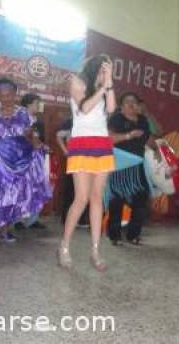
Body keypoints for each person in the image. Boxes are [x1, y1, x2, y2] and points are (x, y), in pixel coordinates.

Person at [0, 78, 52, 248]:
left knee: (11, 195)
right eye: (2, 95)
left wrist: (40, 145)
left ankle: (5, 230)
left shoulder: (24, 113)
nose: (6, 98)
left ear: (15, 94)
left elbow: (30, 134)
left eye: (9, 94)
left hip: (17, 158)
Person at [58, 55, 116, 272]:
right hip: (82, 144)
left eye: (108, 70)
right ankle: (64, 246)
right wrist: (102, 88)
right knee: (81, 198)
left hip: (102, 145)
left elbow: (110, 109)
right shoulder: (76, 81)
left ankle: (95, 249)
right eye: (103, 69)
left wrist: (108, 84)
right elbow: (84, 108)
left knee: (96, 198)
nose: (105, 73)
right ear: (95, 67)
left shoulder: (105, 85)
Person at [107, 92, 153, 246]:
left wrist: (160, 152)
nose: (131, 104)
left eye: (134, 101)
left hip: (138, 165)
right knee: (117, 200)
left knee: (142, 197)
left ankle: (133, 234)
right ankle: (114, 235)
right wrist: (129, 135)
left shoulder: (143, 120)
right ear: (121, 106)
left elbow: (150, 139)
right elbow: (108, 138)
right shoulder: (116, 118)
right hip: (120, 164)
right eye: (127, 101)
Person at [15, 93, 47, 230]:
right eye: (36, 103)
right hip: (23, 158)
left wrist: (43, 146)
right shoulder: (19, 119)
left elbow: (41, 140)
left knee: (37, 188)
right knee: (22, 189)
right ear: (27, 104)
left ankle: (33, 219)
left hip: (37, 159)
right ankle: (19, 220)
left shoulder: (38, 122)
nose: (38, 106)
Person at [56, 117, 90, 227]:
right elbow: (59, 136)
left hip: (89, 158)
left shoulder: (93, 121)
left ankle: (81, 219)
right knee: (71, 189)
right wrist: (65, 151)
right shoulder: (71, 121)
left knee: (85, 190)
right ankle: (67, 219)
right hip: (75, 157)